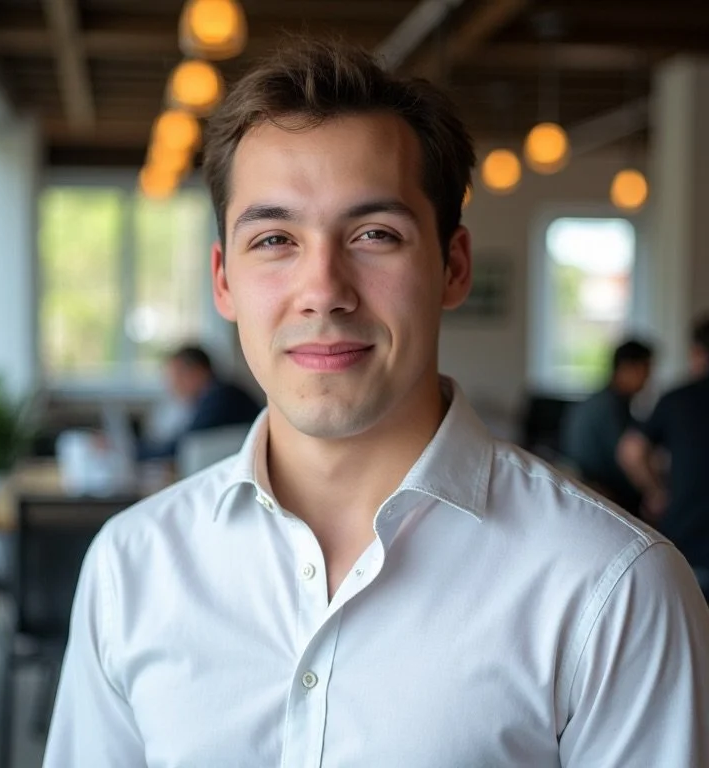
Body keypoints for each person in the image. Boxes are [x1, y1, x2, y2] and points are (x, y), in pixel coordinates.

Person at [44, 40, 709, 767]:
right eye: (274, 239)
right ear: (224, 280)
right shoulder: (131, 568)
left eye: (374, 235)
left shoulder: (613, 587)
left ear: (452, 267)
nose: (324, 288)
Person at [619, 316, 709, 597]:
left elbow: (631, 450)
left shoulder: (678, 399)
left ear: (696, 352)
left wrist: (656, 492)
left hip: (687, 537)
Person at [560, 339, 653, 515]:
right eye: (645, 369)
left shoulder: (601, 401)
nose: (648, 379)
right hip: (603, 496)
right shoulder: (610, 408)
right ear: (627, 368)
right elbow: (629, 460)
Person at [136, 344, 261, 461]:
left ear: (197, 371)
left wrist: (139, 452)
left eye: (177, 376)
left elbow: (185, 443)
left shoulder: (220, 398)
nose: (173, 385)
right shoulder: (216, 393)